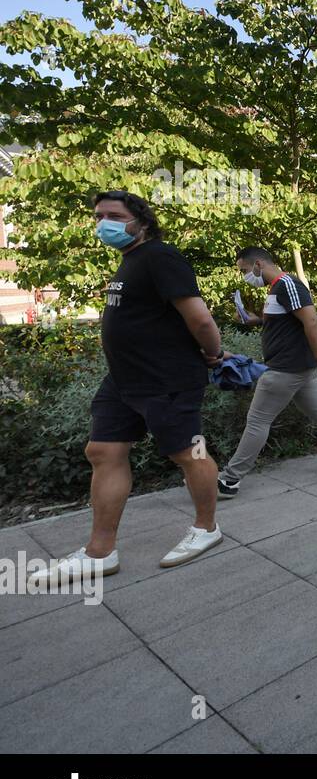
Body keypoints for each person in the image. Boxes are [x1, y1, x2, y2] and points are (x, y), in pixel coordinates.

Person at [31, 192, 225, 585]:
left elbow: (200, 319)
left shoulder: (160, 257)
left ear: (142, 222)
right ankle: (99, 553)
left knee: (190, 452)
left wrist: (214, 353)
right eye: (99, 215)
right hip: (123, 379)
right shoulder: (130, 261)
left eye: (114, 215)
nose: (104, 222)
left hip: (167, 379)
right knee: (102, 451)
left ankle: (207, 528)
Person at [217, 248, 317, 499]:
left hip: (286, 369)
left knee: (258, 421)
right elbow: (289, 321)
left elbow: (311, 321)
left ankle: (229, 480)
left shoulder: (287, 284)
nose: (244, 277)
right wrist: (258, 321)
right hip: (299, 369)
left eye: (244, 271)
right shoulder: (276, 288)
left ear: (258, 264)